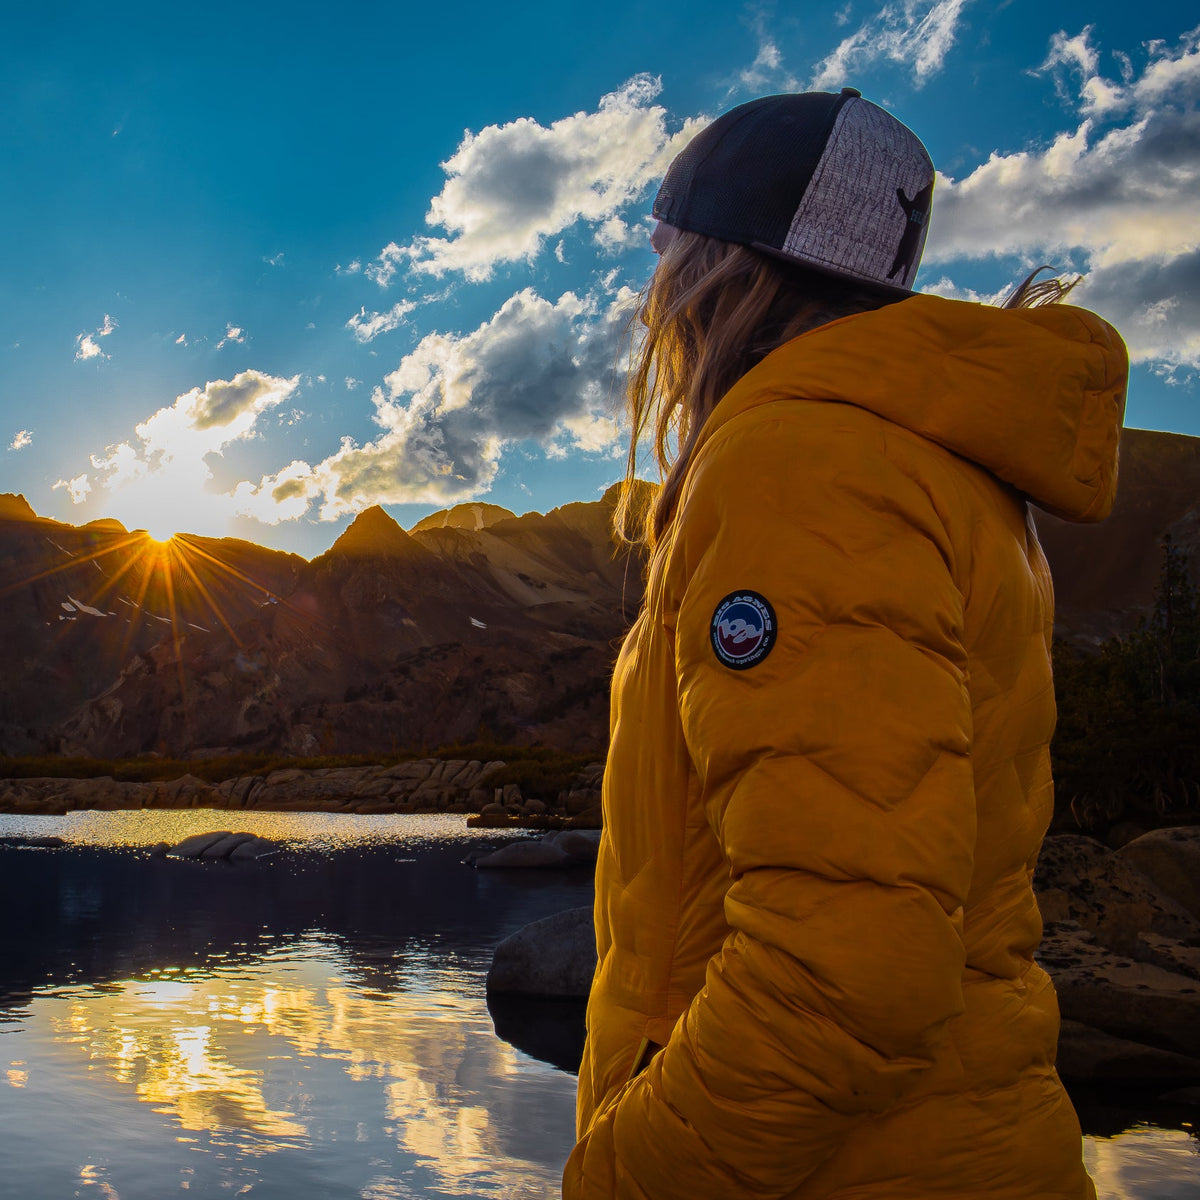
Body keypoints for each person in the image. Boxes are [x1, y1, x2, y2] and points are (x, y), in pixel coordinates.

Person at [563, 89, 1127, 1200]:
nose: (646, 298)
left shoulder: (800, 466)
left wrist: (626, 1180)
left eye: (662, 246)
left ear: (725, 264)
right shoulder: (933, 466)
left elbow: (842, 969)